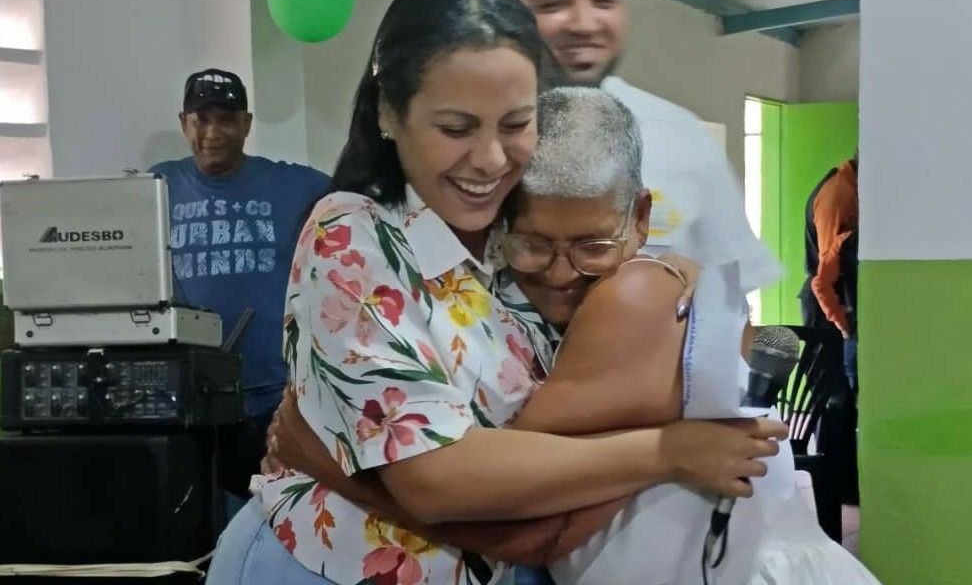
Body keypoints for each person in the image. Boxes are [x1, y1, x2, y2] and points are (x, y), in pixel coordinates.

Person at [205, 0, 786, 585]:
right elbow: (437, 482)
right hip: (321, 567)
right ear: (388, 113)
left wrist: (666, 262)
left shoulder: (519, 247)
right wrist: (667, 452)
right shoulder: (355, 233)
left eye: (515, 125)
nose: (489, 159)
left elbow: (536, 527)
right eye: (455, 128)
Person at [263, 87, 880, 584]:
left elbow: (528, 528)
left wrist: (326, 464)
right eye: (533, 243)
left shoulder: (635, 301)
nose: (560, 273)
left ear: (639, 217)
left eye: (591, 245)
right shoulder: (518, 295)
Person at [501, 0, 780, 308]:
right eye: (553, 3)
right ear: (509, 11)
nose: (585, 24)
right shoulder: (482, 145)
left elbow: (733, 296)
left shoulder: (682, 138)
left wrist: (691, 289)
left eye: (603, 0)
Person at [149, 68, 331, 512]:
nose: (213, 133)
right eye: (201, 119)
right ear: (184, 123)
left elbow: (363, 199)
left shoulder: (296, 186)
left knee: (269, 522)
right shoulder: (155, 187)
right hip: (186, 398)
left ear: (247, 124)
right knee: (189, 528)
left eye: (226, 120)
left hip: (272, 397)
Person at [800, 151, 859, 391]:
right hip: (827, 308)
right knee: (832, 398)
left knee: (843, 402)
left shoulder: (849, 188)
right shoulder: (839, 194)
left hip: (837, 305)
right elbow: (824, 275)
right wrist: (844, 325)